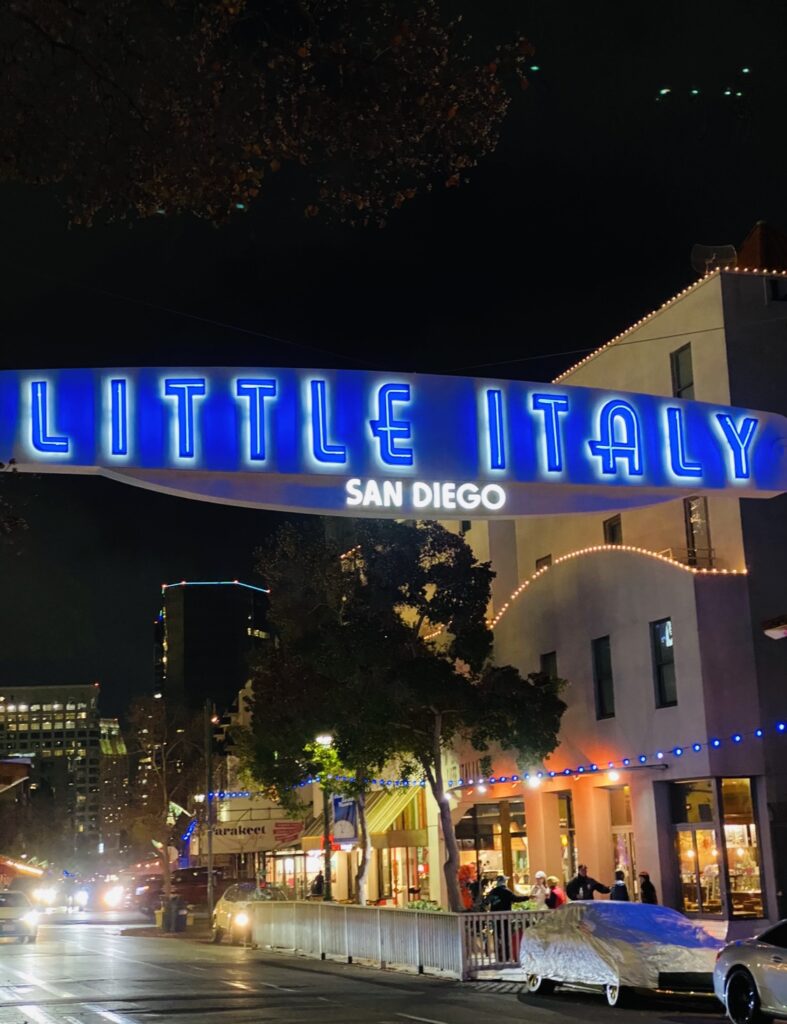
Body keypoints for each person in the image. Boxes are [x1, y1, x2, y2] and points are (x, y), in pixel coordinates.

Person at [484, 876, 518, 963]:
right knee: (506, 937)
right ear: (504, 882)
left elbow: (486, 902)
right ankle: (506, 956)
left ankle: (498, 957)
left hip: (495, 918)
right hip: (505, 918)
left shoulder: (493, 891)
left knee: (497, 936)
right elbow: (516, 899)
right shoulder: (507, 891)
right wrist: (528, 897)